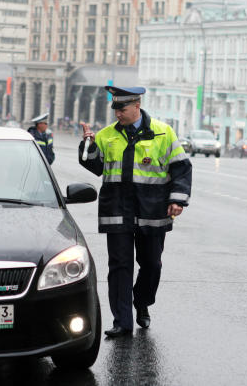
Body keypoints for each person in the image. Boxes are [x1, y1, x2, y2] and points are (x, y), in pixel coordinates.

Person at [78, 86, 192, 338]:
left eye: (123, 109)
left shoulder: (163, 132)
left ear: (137, 106)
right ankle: (122, 321)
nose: (118, 113)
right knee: (119, 266)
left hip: (152, 212)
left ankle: (141, 301)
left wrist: (177, 200)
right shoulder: (107, 135)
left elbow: (182, 168)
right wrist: (88, 144)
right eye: (115, 109)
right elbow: (95, 166)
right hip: (118, 211)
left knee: (152, 264)